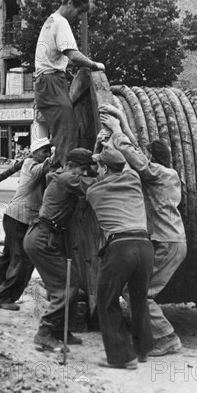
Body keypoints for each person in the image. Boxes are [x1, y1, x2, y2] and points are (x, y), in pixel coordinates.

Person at [101, 107, 187, 357]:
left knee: (136, 292)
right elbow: (137, 153)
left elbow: (137, 159)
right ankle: (160, 334)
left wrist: (117, 131)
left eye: (148, 156)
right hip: (169, 241)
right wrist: (122, 119)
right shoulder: (163, 174)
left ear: (154, 159)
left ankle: (167, 337)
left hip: (168, 242)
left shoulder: (162, 175)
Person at [85, 137, 153, 370]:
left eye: (100, 166)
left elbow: (94, 176)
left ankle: (121, 356)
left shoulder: (94, 191)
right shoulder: (133, 179)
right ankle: (142, 350)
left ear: (103, 169)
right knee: (139, 298)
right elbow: (123, 165)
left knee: (106, 300)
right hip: (144, 247)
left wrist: (97, 147)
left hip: (120, 248)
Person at [23, 148, 96, 351]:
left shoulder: (61, 176)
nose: (83, 173)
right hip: (43, 238)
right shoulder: (67, 178)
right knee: (66, 285)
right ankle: (45, 333)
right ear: (73, 167)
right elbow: (96, 186)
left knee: (69, 280)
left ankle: (60, 330)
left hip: (42, 236)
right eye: (83, 169)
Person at [34, 0, 105, 169]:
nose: (78, 16)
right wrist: (95, 65)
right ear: (70, 3)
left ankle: (60, 171)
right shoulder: (61, 22)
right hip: (52, 82)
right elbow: (74, 56)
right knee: (67, 133)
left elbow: (64, 61)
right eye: (79, 11)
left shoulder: (50, 21)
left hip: (46, 83)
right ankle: (66, 177)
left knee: (61, 133)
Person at [0, 137, 53, 310]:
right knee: (23, 261)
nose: (47, 154)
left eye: (49, 151)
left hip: (15, 217)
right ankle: (4, 298)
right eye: (44, 151)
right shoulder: (30, 164)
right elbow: (41, 170)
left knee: (8, 256)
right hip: (19, 218)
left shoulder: (37, 164)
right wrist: (57, 153)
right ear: (34, 152)